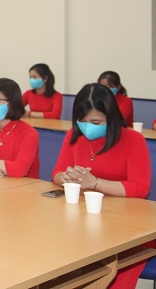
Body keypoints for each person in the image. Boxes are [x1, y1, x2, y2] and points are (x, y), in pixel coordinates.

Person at [52, 83, 151, 288]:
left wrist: (95, 183)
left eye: (96, 122)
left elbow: (140, 188)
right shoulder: (74, 136)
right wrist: (67, 177)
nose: (87, 127)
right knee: (58, 262)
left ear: (111, 117)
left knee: (106, 276)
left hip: (127, 226)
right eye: (82, 121)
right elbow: (57, 173)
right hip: (84, 222)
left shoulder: (133, 139)